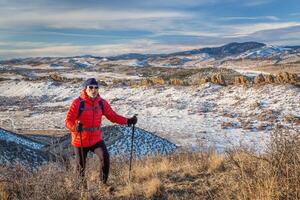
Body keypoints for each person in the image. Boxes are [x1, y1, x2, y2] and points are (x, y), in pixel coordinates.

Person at [65, 78, 137, 186]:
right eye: (91, 87)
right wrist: (75, 127)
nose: (94, 90)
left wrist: (128, 121)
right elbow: (68, 121)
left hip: (95, 139)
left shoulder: (101, 103)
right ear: (85, 89)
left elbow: (113, 116)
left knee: (105, 157)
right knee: (81, 167)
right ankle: (82, 191)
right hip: (80, 139)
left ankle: (103, 185)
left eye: (96, 87)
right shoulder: (77, 103)